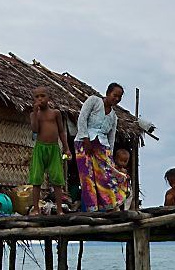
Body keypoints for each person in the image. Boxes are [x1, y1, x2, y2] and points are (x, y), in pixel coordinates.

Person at [75, 83, 129, 211]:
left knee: (106, 177)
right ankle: (92, 210)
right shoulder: (94, 101)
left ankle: (110, 205)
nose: (116, 99)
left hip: (102, 147)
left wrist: (109, 154)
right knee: (87, 178)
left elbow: (111, 137)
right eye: (115, 95)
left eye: (119, 97)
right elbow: (82, 119)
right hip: (83, 143)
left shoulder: (113, 117)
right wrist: (86, 140)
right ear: (108, 92)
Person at [29, 86, 71, 215]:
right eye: (37, 97)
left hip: (54, 148)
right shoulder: (34, 114)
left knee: (57, 179)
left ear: (49, 97)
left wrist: (66, 148)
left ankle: (59, 209)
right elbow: (35, 130)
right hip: (40, 148)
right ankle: (36, 208)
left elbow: (61, 131)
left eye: (43, 96)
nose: (40, 99)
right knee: (36, 179)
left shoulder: (55, 113)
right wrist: (35, 113)